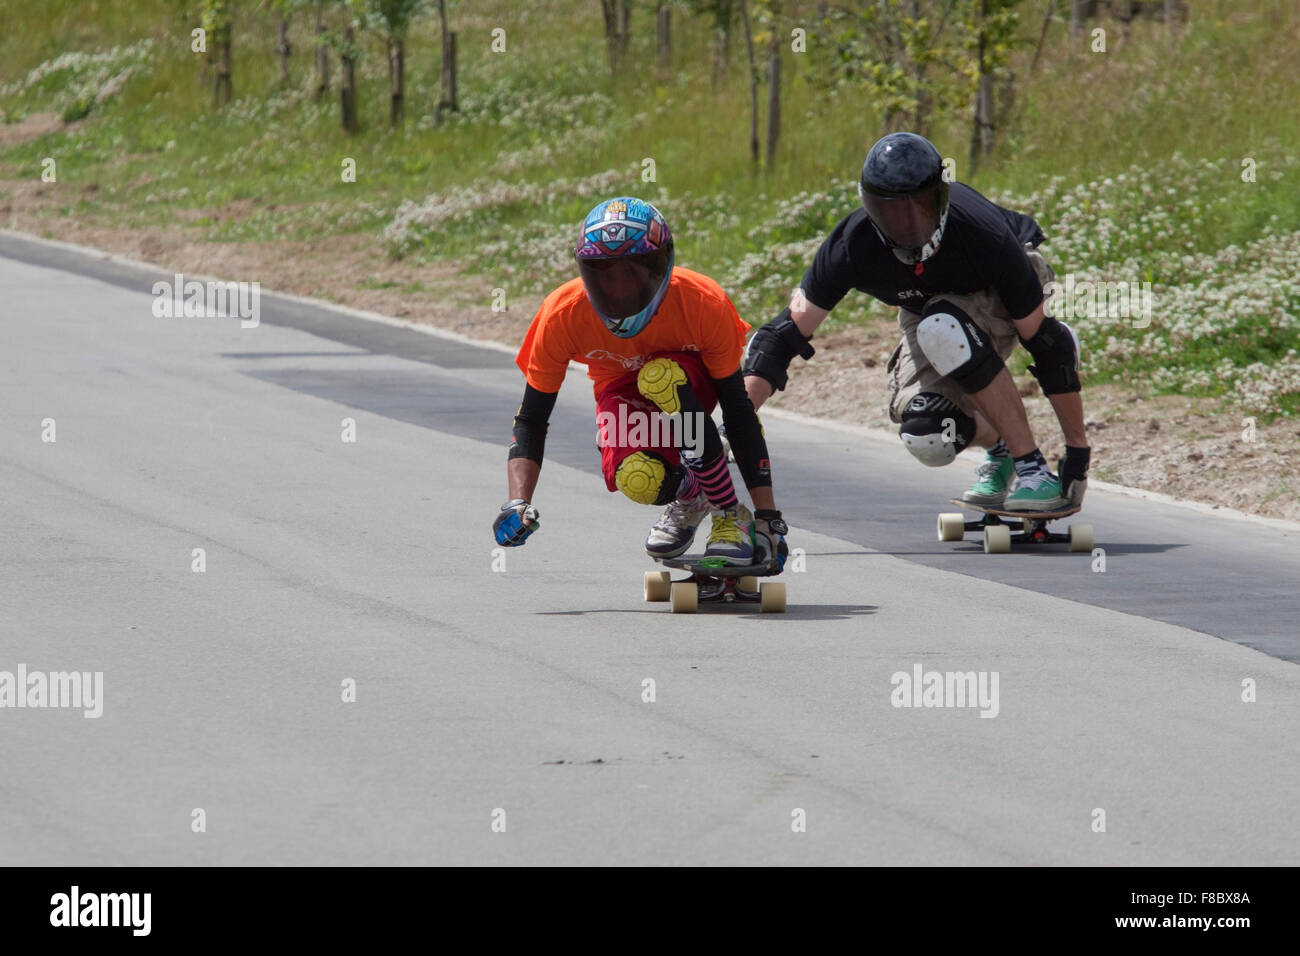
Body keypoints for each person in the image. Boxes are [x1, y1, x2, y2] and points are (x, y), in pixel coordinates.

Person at [742, 132, 1091, 512]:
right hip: (927, 313)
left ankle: (1034, 472)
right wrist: (736, 423)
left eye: (920, 206)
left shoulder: (981, 233)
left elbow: (1046, 346)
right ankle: (1001, 447)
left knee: (943, 326)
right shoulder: (852, 245)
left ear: (942, 198)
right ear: (868, 205)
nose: (907, 223)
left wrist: (1077, 453)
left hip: (1001, 288)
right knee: (929, 434)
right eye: (890, 210)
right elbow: (781, 337)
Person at [494, 196, 788, 570]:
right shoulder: (561, 315)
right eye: (604, 276)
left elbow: (738, 409)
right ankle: (693, 493)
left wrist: (767, 515)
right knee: (639, 478)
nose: (619, 292)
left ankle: (730, 515)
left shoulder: (703, 302)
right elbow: (532, 418)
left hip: (689, 382)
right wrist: (517, 502)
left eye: (632, 275)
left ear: (661, 267)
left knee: (661, 378)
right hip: (620, 388)